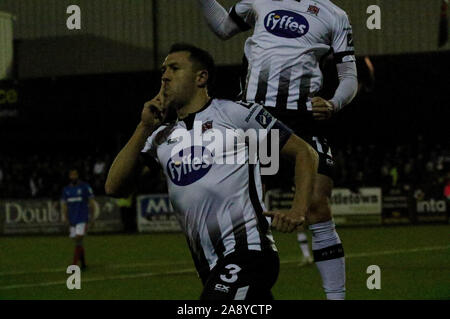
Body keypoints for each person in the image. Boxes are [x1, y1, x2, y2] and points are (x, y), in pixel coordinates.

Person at [105, 43, 318, 300]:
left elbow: (305, 153)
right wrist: (143, 127)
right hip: (210, 266)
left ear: (201, 77)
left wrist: (298, 209)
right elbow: (114, 188)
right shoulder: (160, 137)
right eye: (163, 70)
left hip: (249, 253)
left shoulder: (235, 114)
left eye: (174, 68)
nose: (165, 76)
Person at [197, 0, 359, 299]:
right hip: (256, 116)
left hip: (303, 118)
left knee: (317, 205)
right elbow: (223, 28)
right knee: (234, 212)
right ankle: (239, 292)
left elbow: (349, 76)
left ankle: (336, 298)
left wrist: (334, 103)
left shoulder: (335, 15)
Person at [61, 169, 96, 270]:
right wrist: (65, 217)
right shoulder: (66, 190)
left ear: (78, 176)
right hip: (72, 220)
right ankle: (84, 264)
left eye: (75, 174)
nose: (73, 177)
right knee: (78, 242)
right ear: (69, 176)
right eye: (71, 175)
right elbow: (64, 205)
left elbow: (92, 202)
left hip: (82, 218)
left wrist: (92, 217)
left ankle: (74, 265)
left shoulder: (85, 187)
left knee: (78, 239)